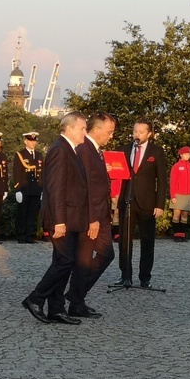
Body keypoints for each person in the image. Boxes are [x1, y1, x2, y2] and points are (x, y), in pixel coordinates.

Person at [22, 111, 88, 325]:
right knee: (65, 261)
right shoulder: (60, 149)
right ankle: (35, 298)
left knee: (64, 261)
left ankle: (57, 308)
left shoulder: (71, 149)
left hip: (71, 216)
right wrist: (59, 220)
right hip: (62, 217)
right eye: (82, 128)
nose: (85, 132)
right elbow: (56, 187)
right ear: (69, 128)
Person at [66, 112, 116, 318]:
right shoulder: (85, 149)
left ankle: (76, 295)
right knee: (84, 259)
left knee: (105, 255)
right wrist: (92, 218)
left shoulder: (94, 150)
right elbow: (86, 188)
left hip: (100, 214)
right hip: (90, 216)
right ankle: (75, 300)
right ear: (96, 130)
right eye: (110, 132)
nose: (111, 136)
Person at [115, 119, 167, 288]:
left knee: (147, 241)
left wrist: (160, 205)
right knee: (124, 240)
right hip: (127, 201)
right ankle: (126, 275)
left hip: (148, 203)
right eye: (135, 131)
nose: (137, 134)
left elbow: (162, 180)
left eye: (141, 132)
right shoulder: (124, 150)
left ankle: (145, 277)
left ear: (149, 134)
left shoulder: (157, 152)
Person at [12, 132, 43, 244]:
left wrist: (42, 189)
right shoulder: (20, 154)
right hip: (24, 189)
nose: (33, 143)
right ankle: (21, 235)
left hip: (36, 189)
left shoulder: (39, 155)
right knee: (22, 213)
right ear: (25, 141)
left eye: (34, 141)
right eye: (30, 140)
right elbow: (16, 172)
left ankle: (29, 235)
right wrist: (18, 189)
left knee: (32, 214)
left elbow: (41, 173)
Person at [170, 146, 190, 242]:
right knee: (176, 214)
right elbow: (172, 182)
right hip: (178, 194)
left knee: (185, 215)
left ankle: (182, 234)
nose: (187, 156)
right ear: (181, 155)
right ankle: (176, 234)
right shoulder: (176, 166)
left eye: (189, 154)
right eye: (185, 154)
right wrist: (172, 195)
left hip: (188, 194)